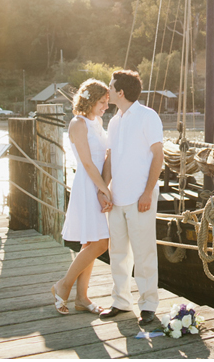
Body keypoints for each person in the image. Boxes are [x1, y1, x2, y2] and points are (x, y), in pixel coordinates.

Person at [98, 70, 165, 326]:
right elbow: (110, 158)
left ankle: (148, 305)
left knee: (144, 252)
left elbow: (158, 156)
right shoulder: (114, 121)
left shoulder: (148, 116)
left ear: (120, 92)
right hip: (117, 197)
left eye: (111, 87)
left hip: (140, 197)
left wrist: (148, 192)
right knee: (118, 252)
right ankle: (121, 301)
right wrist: (105, 190)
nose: (108, 91)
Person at [50, 79, 112, 315]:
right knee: (100, 243)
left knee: (91, 242)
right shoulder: (78, 123)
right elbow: (86, 161)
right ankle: (63, 285)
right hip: (87, 185)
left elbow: (105, 156)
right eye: (102, 102)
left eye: (107, 102)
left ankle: (82, 298)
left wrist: (104, 187)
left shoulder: (98, 121)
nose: (106, 107)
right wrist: (102, 190)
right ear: (90, 100)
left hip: (97, 185)